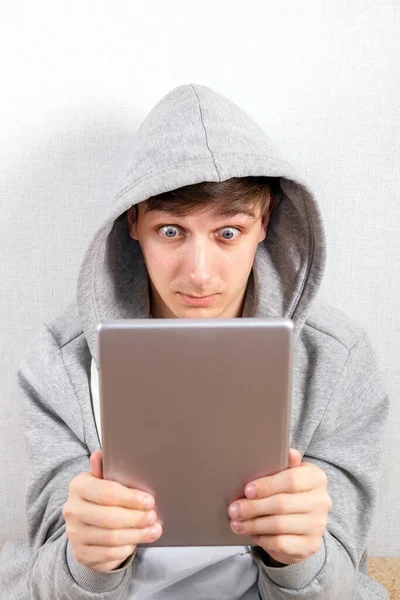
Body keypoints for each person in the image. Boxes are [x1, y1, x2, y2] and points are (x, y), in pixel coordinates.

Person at [3, 83, 390, 599]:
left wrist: (300, 557)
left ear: (265, 223)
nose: (200, 273)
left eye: (228, 232)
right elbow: (50, 583)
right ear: (134, 222)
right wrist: (87, 561)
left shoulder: (338, 362)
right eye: (171, 231)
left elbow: (338, 583)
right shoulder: (60, 361)